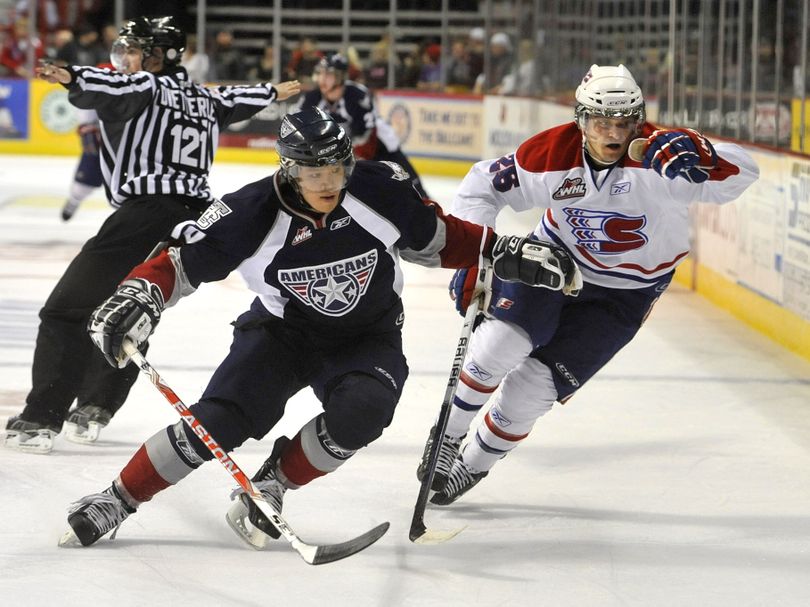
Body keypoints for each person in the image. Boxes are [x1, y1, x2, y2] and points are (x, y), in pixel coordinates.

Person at [56, 107, 574, 548]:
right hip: (280, 336)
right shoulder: (249, 211)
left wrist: (498, 249)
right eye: (312, 172)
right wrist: (140, 291)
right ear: (288, 168)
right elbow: (182, 262)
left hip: (368, 334)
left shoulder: (379, 188)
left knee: (365, 413)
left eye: (336, 168)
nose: (327, 182)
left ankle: (273, 484)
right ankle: (117, 498)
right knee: (216, 424)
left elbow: (437, 238)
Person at [418, 64, 760, 505]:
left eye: (625, 122)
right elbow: (484, 185)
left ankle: (474, 465)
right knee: (502, 341)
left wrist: (706, 154)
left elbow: (744, 173)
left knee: (533, 389)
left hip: (627, 293)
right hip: (553, 263)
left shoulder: (664, 159)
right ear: (580, 119)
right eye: (602, 122)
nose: (615, 134)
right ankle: (447, 437)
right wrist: (476, 256)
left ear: (639, 119)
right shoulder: (552, 153)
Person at [3, 15, 300, 454]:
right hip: (196, 218)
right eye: (121, 51)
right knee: (132, 310)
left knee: (66, 311)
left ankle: (41, 418)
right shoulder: (205, 98)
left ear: (162, 56)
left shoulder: (145, 86)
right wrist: (275, 91)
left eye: (135, 51)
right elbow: (242, 97)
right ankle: (96, 407)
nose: (124, 60)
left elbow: (110, 88)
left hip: (145, 214)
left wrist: (71, 76)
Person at [298, 53, 428, 198]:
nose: (322, 79)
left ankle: (421, 195)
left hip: (377, 147)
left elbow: (367, 136)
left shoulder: (357, 96)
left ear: (341, 77)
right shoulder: (310, 99)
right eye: (320, 74)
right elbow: (301, 132)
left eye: (328, 75)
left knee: (403, 177)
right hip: (340, 152)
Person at [60, 108, 103, 221]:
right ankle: (75, 200)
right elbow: (87, 96)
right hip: (102, 133)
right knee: (83, 184)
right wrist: (87, 125)